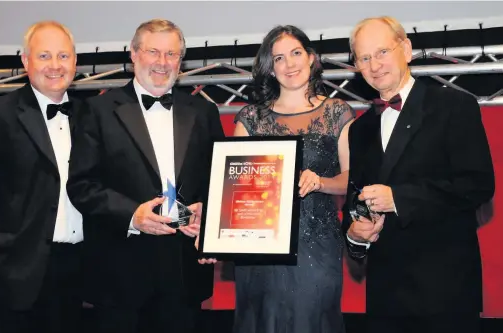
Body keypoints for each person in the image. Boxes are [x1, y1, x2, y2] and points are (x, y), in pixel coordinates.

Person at [66, 19, 225, 333]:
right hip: (119, 273)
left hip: (184, 270)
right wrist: (132, 215)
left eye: (171, 54)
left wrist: (209, 214)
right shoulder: (96, 110)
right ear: (134, 54)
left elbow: (217, 181)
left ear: (181, 61)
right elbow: (82, 185)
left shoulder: (204, 111)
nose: (162, 62)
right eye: (153, 52)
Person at [343, 16, 495, 333]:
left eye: (382, 52)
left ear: (407, 50)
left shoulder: (454, 105)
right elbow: (356, 202)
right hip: (385, 297)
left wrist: (398, 198)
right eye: (365, 58)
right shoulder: (359, 129)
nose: (374, 65)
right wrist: (355, 235)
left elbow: (478, 185)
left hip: (446, 293)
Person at [0, 21, 84, 333]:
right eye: (45, 56)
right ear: (26, 61)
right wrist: (0, 241)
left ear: (75, 61)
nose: (55, 66)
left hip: (75, 272)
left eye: (63, 56)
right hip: (11, 275)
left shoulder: (90, 115)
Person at [231, 25, 355, 333]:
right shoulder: (250, 118)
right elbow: (234, 188)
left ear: (311, 58)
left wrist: (320, 182)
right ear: (269, 69)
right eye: (279, 58)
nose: (290, 64)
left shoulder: (336, 112)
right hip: (260, 248)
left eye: (296, 53)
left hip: (316, 247)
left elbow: (352, 179)